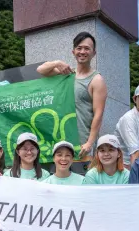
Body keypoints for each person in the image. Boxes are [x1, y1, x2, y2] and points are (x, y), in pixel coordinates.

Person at [37, 32, 107, 169]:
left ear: (94, 53)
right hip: (61, 143)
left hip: (81, 145)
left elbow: (98, 115)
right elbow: (41, 70)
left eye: (87, 48)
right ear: (73, 51)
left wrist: (89, 143)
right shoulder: (67, 74)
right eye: (79, 48)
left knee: (81, 183)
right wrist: (57, 62)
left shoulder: (97, 80)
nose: (82, 52)